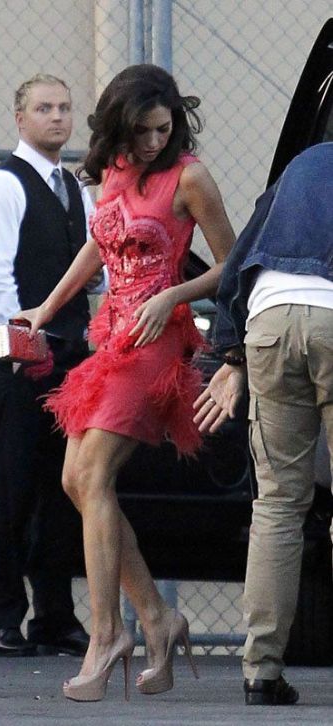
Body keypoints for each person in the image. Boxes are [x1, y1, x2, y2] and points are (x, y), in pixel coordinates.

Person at [16, 64, 235, 700]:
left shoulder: (189, 177)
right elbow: (98, 245)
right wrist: (46, 308)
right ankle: (159, 619)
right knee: (75, 480)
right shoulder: (114, 168)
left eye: (164, 129)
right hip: (111, 335)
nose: (154, 142)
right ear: (120, 127)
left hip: (156, 341)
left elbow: (231, 265)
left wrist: (173, 296)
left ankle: (109, 633)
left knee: (91, 477)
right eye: (143, 131)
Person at [0, 74, 104, 657]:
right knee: (14, 488)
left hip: (74, 359)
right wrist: (23, 351)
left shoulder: (75, 189)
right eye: (44, 108)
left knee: (62, 489)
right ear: (20, 119)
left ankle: (55, 618)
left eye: (65, 108)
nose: (57, 117)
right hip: (22, 364)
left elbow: (95, 269)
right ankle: (1, 620)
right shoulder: (3, 186)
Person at [193, 142, 333, 705]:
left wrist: (233, 356)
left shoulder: (304, 164)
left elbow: (241, 257)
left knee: (277, 504)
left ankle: (261, 670)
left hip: (270, 318)